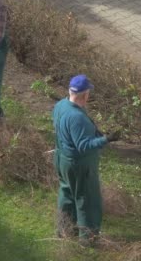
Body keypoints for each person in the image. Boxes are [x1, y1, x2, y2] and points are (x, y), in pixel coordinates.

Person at [52, 75, 120, 247]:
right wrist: (106, 139)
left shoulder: (61, 105)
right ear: (85, 95)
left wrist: (96, 133)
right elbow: (84, 145)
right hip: (79, 164)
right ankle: (88, 240)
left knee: (67, 195)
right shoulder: (77, 117)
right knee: (87, 200)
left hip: (62, 159)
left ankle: (64, 230)